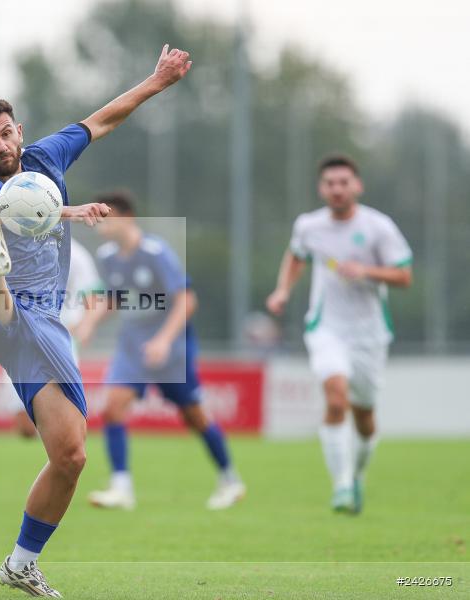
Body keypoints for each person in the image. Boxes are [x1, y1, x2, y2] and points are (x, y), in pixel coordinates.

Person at [0, 45, 192, 597]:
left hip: (41, 327)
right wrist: (72, 210)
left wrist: (157, 80)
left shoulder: (45, 158)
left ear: (19, 130)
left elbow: (102, 119)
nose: (1, 145)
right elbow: (17, 207)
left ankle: (20, 564)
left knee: (71, 456)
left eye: (6, 133)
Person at [75, 191, 245, 511]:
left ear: (127, 218)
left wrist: (164, 341)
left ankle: (229, 479)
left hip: (171, 347)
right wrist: (89, 324)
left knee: (194, 416)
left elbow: (187, 300)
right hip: (132, 345)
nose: (100, 226)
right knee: (112, 408)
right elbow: (114, 298)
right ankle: (121, 487)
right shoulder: (108, 256)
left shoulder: (156, 252)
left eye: (106, 220)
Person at [266, 154, 413, 514]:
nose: (336, 189)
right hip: (326, 328)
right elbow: (296, 256)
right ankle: (342, 485)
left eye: (343, 183)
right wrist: (283, 290)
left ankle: (358, 474)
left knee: (365, 418)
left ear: (357, 186)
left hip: (369, 334)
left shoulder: (379, 227)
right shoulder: (309, 226)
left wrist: (366, 271)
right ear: (321, 188)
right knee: (335, 399)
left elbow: (404, 276)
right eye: (330, 183)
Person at [7, 237, 103, 439]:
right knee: (25, 427)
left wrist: (86, 324)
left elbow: (93, 295)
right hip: (20, 339)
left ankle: (67, 447)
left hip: (60, 338)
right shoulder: (16, 244)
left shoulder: (75, 253)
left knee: (68, 421)